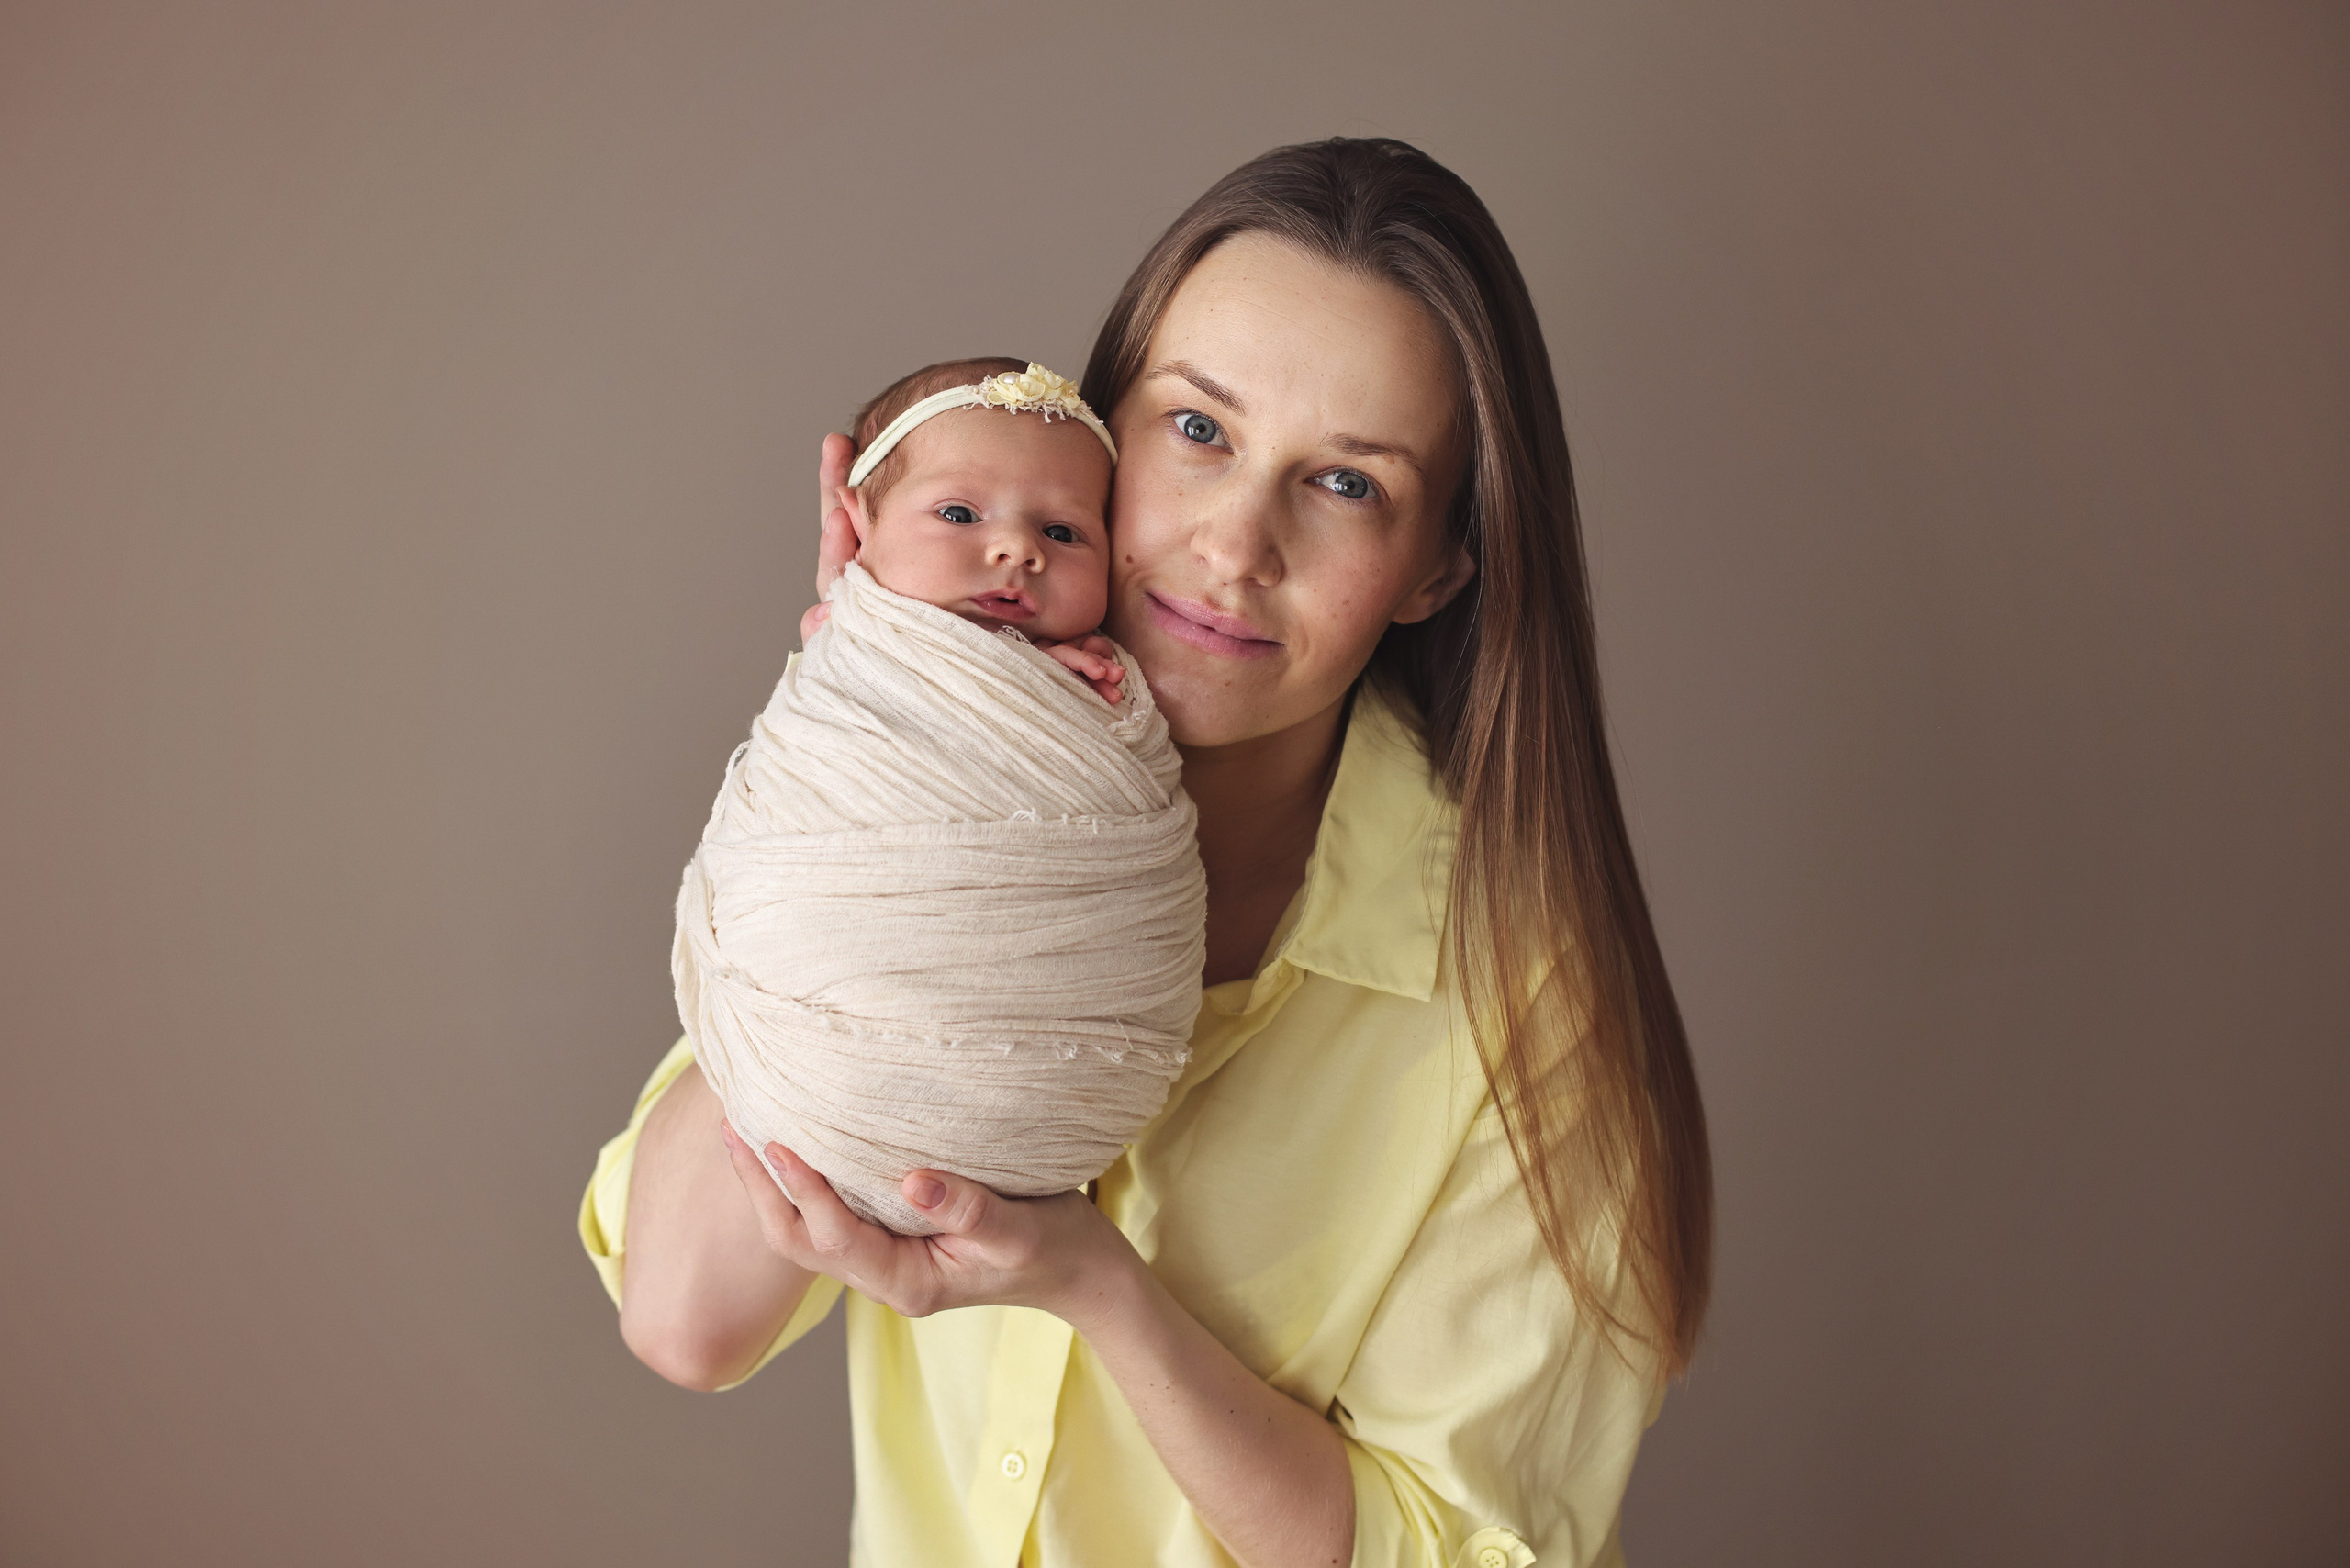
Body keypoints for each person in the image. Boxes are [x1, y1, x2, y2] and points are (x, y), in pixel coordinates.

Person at [582, 137, 1712, 1568]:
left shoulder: (1527, 1005)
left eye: (1349, 484)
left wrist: (1095, 1286)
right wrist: (869, 719)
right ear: (1097, 431)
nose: (1235, 545)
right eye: (1196, 430)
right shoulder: (922, 828)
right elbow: (684, 1318)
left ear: (1439, 564)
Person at [674, 354, 1207, 1237]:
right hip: (826, 1020)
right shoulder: (850, 655)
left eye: (1068, 533)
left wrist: (1044, 697)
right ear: (855, 527)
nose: (1016, 549)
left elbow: (1079, 746)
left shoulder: (1096, 679)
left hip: (1059, 1071)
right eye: (958, 514)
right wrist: (910, 647)